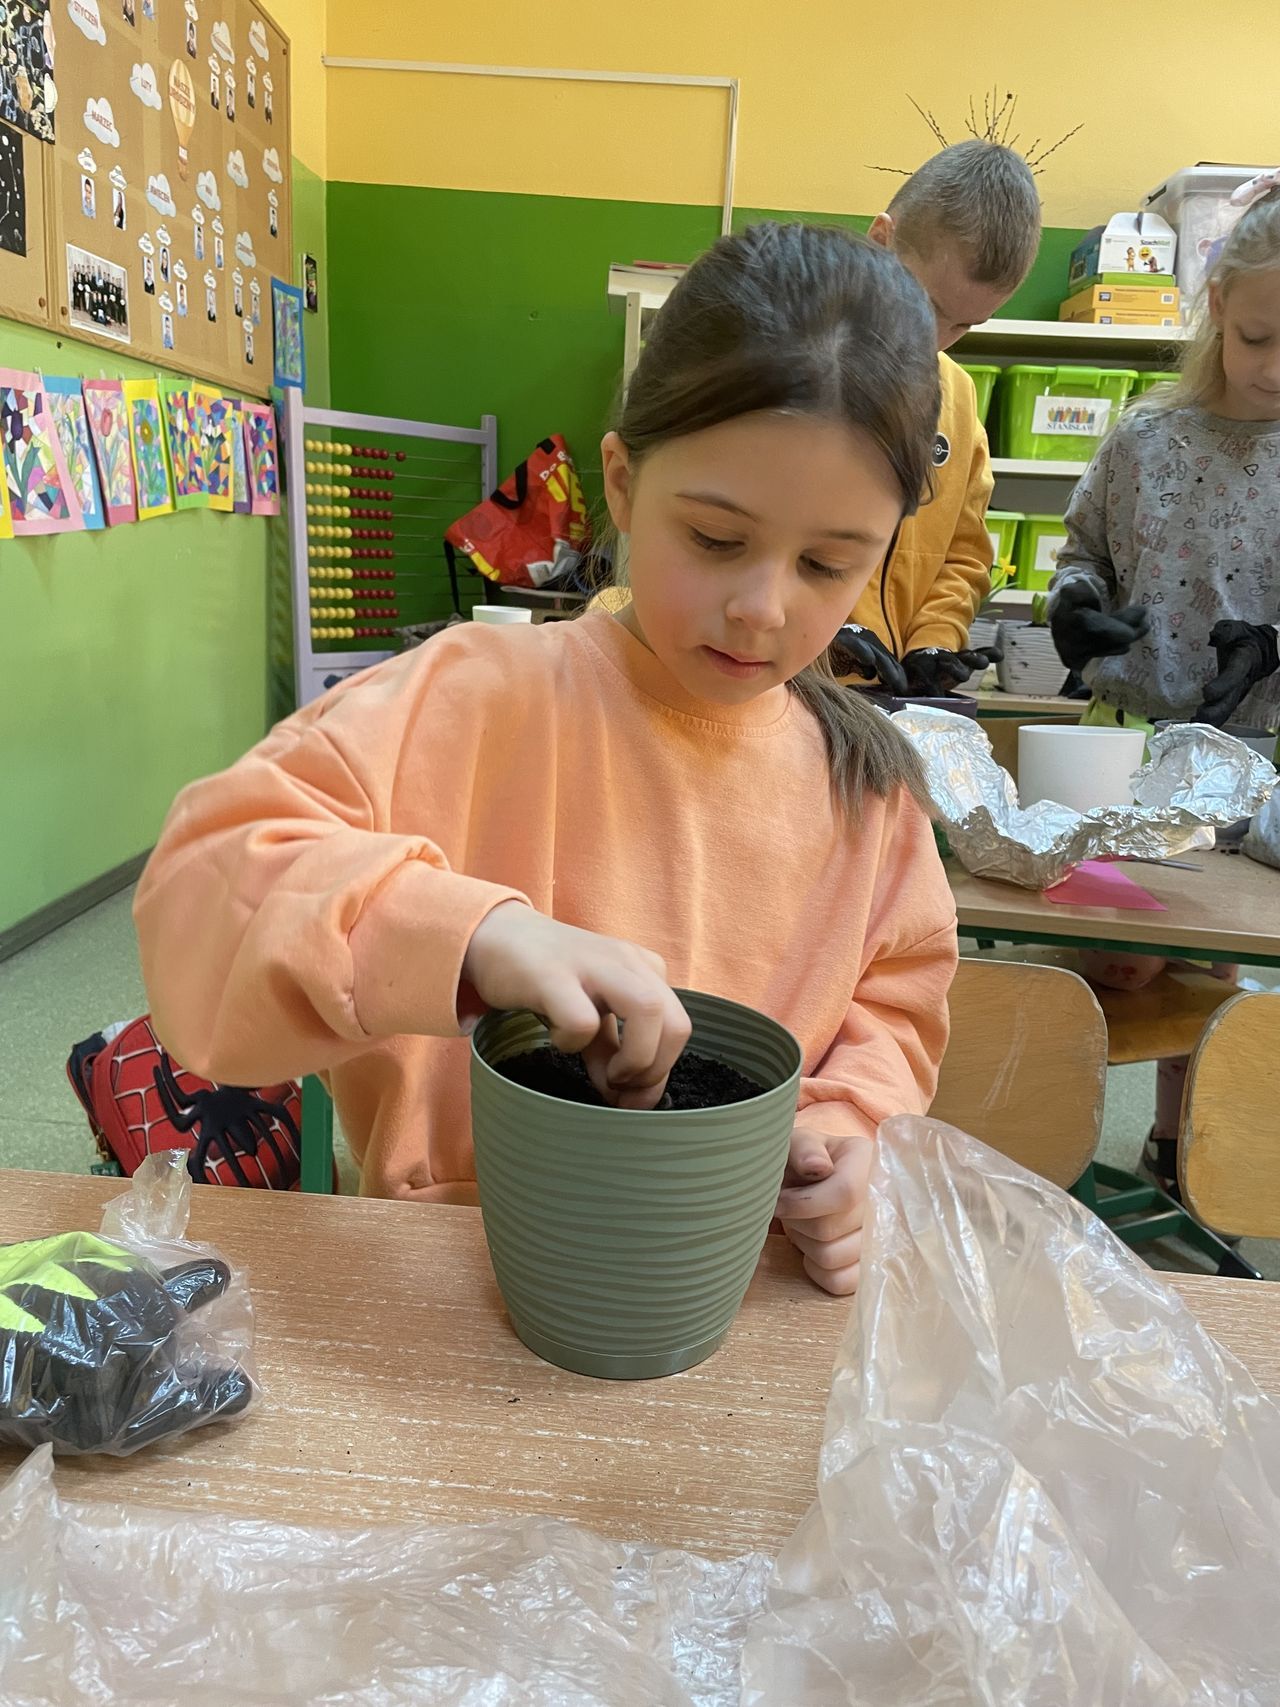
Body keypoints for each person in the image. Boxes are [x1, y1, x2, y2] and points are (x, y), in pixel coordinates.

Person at [134, 223, 959, 1298]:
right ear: (620, 483)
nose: (762, 607)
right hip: (447, 1284)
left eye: (826, 564)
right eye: (715, 540)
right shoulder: (468, 698)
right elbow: (202, 884)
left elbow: (894, 1006)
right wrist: (471, 938)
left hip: (728, 1289)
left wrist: (849, 1135)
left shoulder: (866, 792)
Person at [1049, 172, 1280, 1193]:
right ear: (1217, 303)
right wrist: (1074, 603)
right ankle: (1053, 1146)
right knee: (1113, 961)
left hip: (1247, 759)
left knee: (1208, 967)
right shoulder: (1145, 441)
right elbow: (1082, 552)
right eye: (1258, 337)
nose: (1274, 369)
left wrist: (1269, 646)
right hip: (1122, 750)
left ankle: (1180, 1153)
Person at [835, 141, 1042, 698]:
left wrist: (935, 641)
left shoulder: (959, 395)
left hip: (891, 698)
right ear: (881, 240)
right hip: (783, 683)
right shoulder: (797, 366)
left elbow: (964, 552)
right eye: (925, 306)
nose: (934, 339)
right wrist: (824, 624)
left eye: (965, 326)